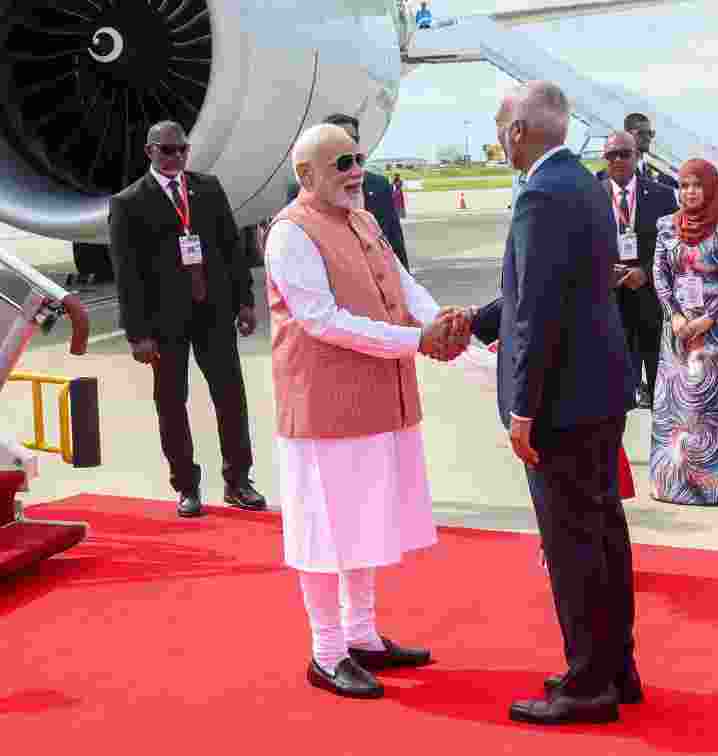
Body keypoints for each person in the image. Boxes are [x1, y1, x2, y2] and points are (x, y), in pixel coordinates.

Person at [264, 124, 468, 699]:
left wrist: (440, 324)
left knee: (364, 521)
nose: (356, 172)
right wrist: (416, 341)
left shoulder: (363, 218)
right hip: (324, 409)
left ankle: (361, 635)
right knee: (325, 530)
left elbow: (401, 285)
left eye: (359, 161)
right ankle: (327, 653)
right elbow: (322, 319)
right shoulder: (290, 235)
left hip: (377, 398)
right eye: (342, 164)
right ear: (306, 176)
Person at [471, 81, 637, 725]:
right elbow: (548, 288)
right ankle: (615, 667)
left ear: (519, 130)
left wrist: (523, 408)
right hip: (598, 391)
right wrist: (480, 320)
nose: (495, 135)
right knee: (603, 534)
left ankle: (586, 684)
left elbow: (538, 313)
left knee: (572, 546)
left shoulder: (540, 192)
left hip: (561, 402)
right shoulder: (584, 184)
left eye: (498, 123)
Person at [108, 120, 265, 518]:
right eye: (167, 150)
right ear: (150, 152)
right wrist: (137, 334)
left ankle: (239, 481)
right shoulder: (129, 203)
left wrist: (245, 302)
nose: (176, 157)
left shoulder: (208, 189)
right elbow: (127, 275)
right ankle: (187, 486)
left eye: (181, 150)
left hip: (213, 312)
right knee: (172, 403)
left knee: (231, 397)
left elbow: (232, 248)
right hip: (164, 324)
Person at [650, 158, 718, 505]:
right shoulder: (665, 226)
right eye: (684, 185)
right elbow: (661, 274)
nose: (690, 192)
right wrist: (675, 315)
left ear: (710, 188)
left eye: (697, 185)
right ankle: (673, 483)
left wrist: (707, 320)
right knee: (675, 408)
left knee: (717, 411)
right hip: (677, 331)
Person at [600, 130, 679, 410]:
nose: (618, 160)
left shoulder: (663, 195)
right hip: (610, 304)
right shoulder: (590, 195)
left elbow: (673, 247)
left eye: (625, 153)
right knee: (617, 392)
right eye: (612, 155)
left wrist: (645, 272)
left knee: (663, 387)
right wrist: (604, 270)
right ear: (604, 158)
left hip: (653, 302)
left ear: (637, 156)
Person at [287, 114, 410, 270]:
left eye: (352, 138)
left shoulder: (379, 186)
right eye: (338, 138)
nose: (347, 143)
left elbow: (395, 241)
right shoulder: (299, 194)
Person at [624, 112, 679, 188]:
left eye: (650, 133)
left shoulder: (653, 173)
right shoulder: (618, 169)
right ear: (627, 135)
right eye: (641, 133)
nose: (648, 138)